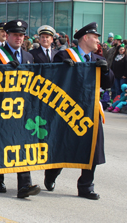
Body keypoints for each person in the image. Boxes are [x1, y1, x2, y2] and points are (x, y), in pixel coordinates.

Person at [50, 22, 113, 200]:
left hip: (91, 110)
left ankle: (86, 186)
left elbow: (107, 84)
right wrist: (62, 68)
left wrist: (106, 71)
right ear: (85, 38)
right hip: (68, 111)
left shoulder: (96, 59)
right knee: (64, 146)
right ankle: (51, 174)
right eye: (95, 37)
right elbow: (53, 81)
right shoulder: (63, 55)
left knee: (93, 149)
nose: (97, 41)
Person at [0, 20, 41, 199]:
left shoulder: (29, 57)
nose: (19, 38)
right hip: (0, 107)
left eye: (21, 35)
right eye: (15, 35)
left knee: (22, 143)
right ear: (7, 36)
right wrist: (5, 69)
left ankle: (24, 185)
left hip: (22, 108)